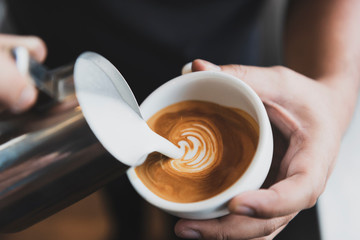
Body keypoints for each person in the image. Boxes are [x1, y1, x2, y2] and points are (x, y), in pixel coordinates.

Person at [1, 0, 360, 239]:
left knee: (194, 219)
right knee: (110, 179)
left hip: (222, 64)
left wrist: (332, 88)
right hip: (73, 79)